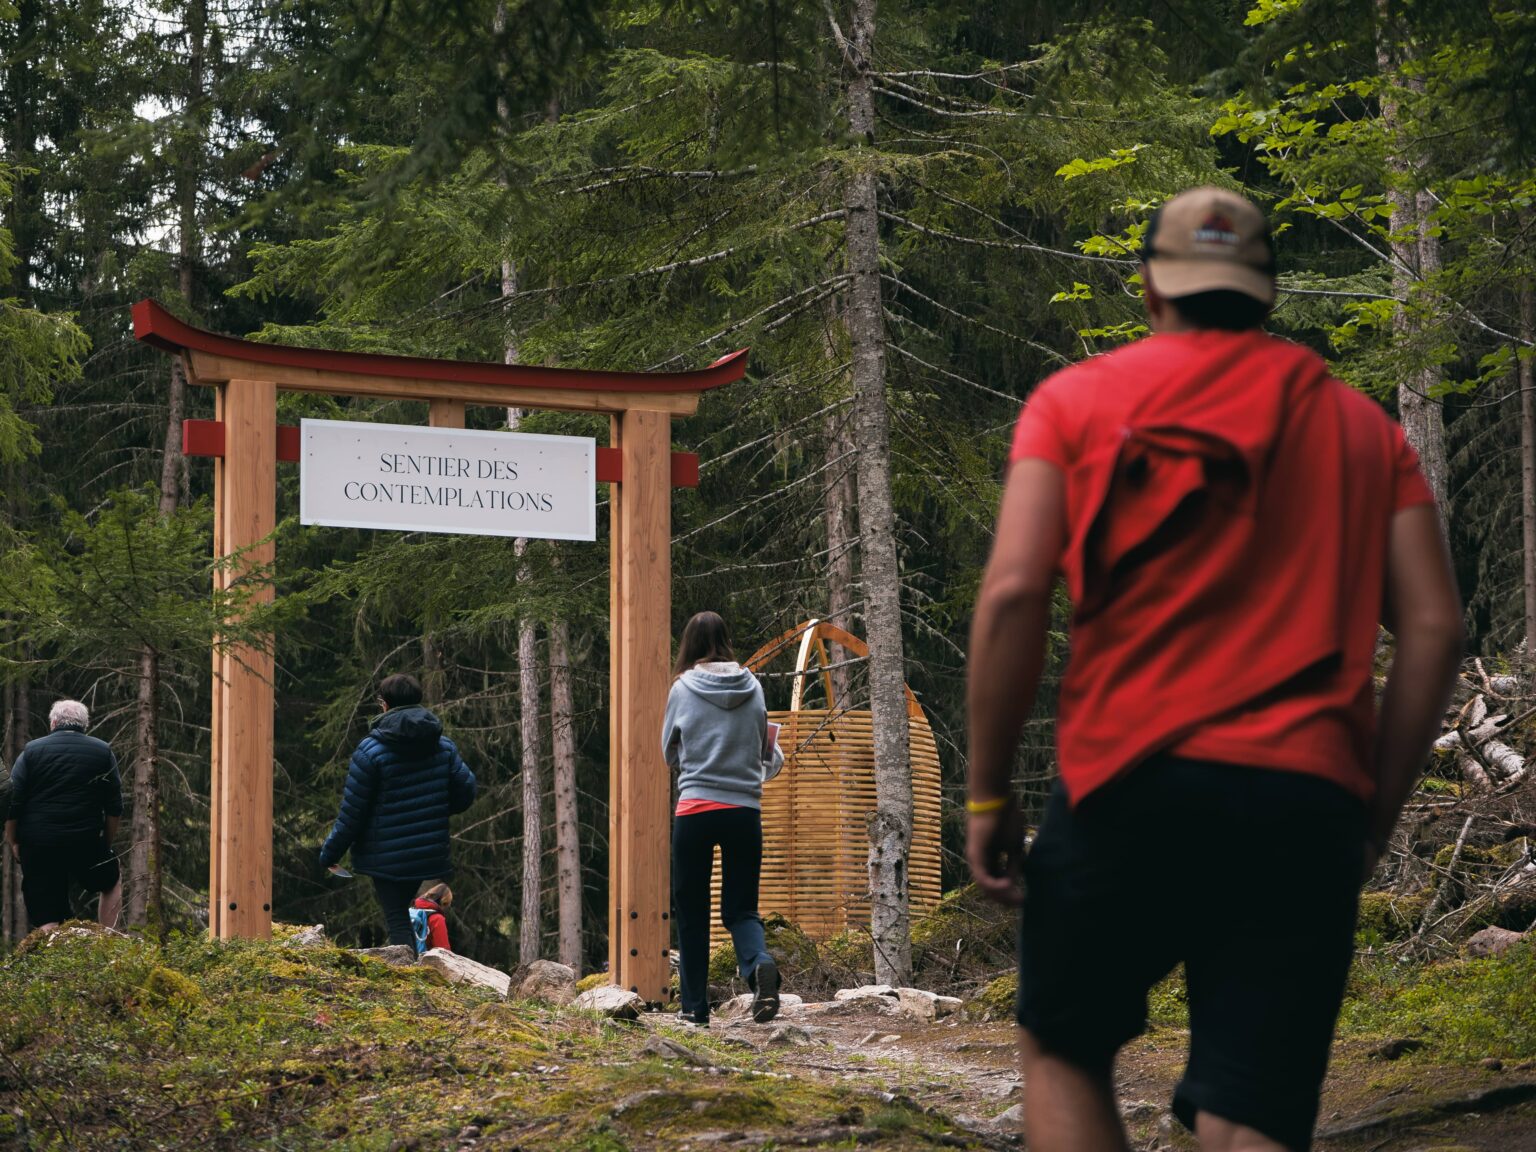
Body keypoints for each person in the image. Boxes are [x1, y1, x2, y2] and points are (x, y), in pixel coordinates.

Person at [964, 186, 1465, 1152]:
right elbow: (1434, 629)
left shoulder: (1073, 403)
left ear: (1152, 288)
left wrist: (989, 799)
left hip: (1125, 783)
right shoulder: (1368, 432)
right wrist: (1370, 814)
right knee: (1254, 1105)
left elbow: (1017, 592)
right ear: (1267, 293)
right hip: (1301, 800)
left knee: (1065, 1049)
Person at [663, 611, 786, 1026]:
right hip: (744, 811)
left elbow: (669, 751)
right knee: (741, 910)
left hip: (696, 809)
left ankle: (694, 1010)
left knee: (692, 912)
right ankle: (758, 965)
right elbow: (761, 752)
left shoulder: (682, 688)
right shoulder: (753, 686)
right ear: (727, 639)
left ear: (689, 645)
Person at [319, 674, 477, 948]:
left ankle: (409, 981)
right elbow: (466, 791)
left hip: (385, 855)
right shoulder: (443, 745)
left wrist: (330, 853)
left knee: (397, 917)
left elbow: (352, 812)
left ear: (385, 704)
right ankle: (414, 974)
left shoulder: (370, 750)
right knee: (401, 913)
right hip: (428, 848)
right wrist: (435, 810)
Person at [3, 700, 124, 932]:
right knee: (110, 880)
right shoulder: (102, 751)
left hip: (39, 843)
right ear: (84, 725)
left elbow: (12, 802)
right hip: (85, 841)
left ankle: (52, 962)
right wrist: (105, 846)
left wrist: (14, 841)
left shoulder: (31, 751)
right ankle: (109, 939)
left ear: (53, 723)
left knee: (47, 912)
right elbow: (114, 808)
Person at [410, 881, 453, 953]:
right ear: (444, 903)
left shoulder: (413, 910)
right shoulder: (437, 918)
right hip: (423, 961)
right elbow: (443, 950)